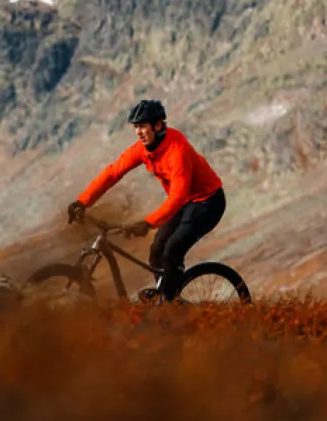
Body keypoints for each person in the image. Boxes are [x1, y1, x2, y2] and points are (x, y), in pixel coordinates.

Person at [66, 99, 226, 302]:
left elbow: (178, 195)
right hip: (185, 203)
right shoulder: (143, 149)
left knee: (173, 249)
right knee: (157, 249)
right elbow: (113, 173)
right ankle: (169, 296)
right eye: (135, 127)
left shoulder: (178, 151)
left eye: (142, 126)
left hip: (208, 202)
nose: (138, 132)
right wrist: (82, 201)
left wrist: (148, 223)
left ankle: (167, 302)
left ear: (158, 125)